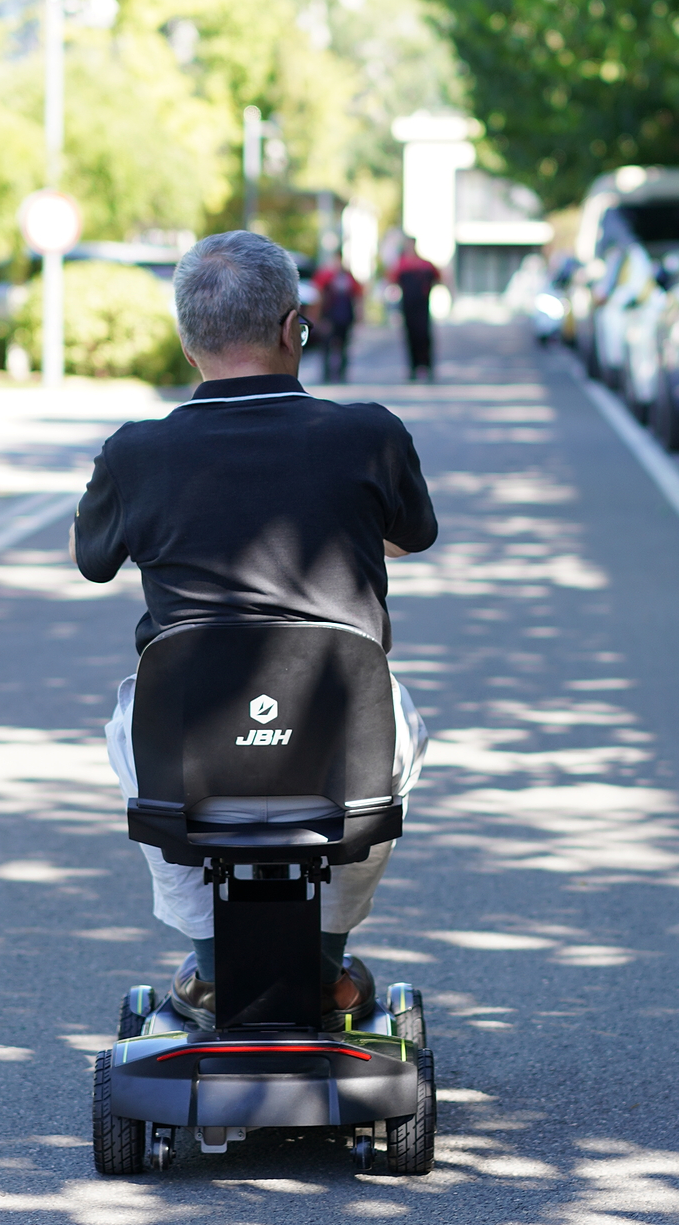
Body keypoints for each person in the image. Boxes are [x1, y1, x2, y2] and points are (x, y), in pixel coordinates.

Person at [72, 231, 438, 1028]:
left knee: (128, 734)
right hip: (342, 737)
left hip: (191, 740)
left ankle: (210, 969)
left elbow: (95, 561)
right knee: (396, 732)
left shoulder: (135, 454)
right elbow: (409, 537)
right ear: (292, 328)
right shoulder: (369, 434)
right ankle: (324, 962)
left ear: (186, 341)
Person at [390, 236, 441, 380]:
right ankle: (413, 368)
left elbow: (438, 278)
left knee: (424, 336)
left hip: (422, 307)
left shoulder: (425, 265)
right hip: (407, 306)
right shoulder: (401, 265)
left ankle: (427, 366)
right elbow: (392, 283)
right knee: (410, 337)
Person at [312, 252, 362, 383]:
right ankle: (327, 374)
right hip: (330, 317)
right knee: (327, 346)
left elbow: (357, 297)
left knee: (343, 347)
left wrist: (358, 315)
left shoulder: (348, 277)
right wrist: (317, 317)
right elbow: (318, 297)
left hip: (345, 317)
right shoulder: (326, 277)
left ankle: (341, 374)